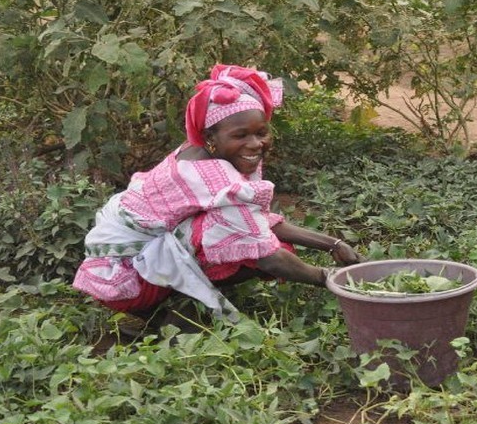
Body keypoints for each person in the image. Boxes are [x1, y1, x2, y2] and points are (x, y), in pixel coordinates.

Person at [73, 64, 364, 327]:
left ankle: (178, 301)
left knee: (251, 231)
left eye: (261, 133)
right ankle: (167, 312)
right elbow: (268, 257)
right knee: (257, 243)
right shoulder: (213, 176)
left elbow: (259, 218)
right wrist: (330, 278)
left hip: (128, 258)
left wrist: (333, 244)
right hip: (127, 282)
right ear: (211, 138)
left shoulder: (197, 151)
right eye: (240, 136)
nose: (255, 144)